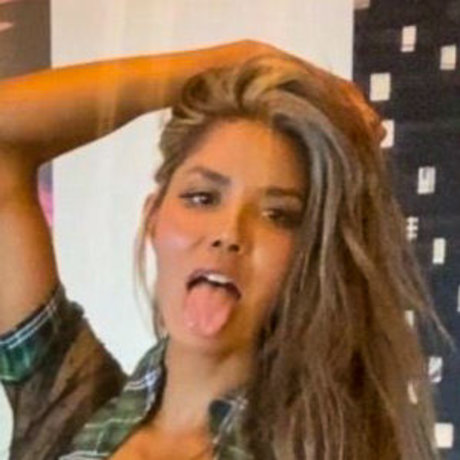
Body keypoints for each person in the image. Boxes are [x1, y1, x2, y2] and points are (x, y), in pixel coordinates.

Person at [0, 40, 448, 460]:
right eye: (202, 198)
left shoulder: (325, 449)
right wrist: (232, 59)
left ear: (308, 257)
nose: (229, 233)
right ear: (154, 216)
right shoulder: (70, 409)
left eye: (277, 215)